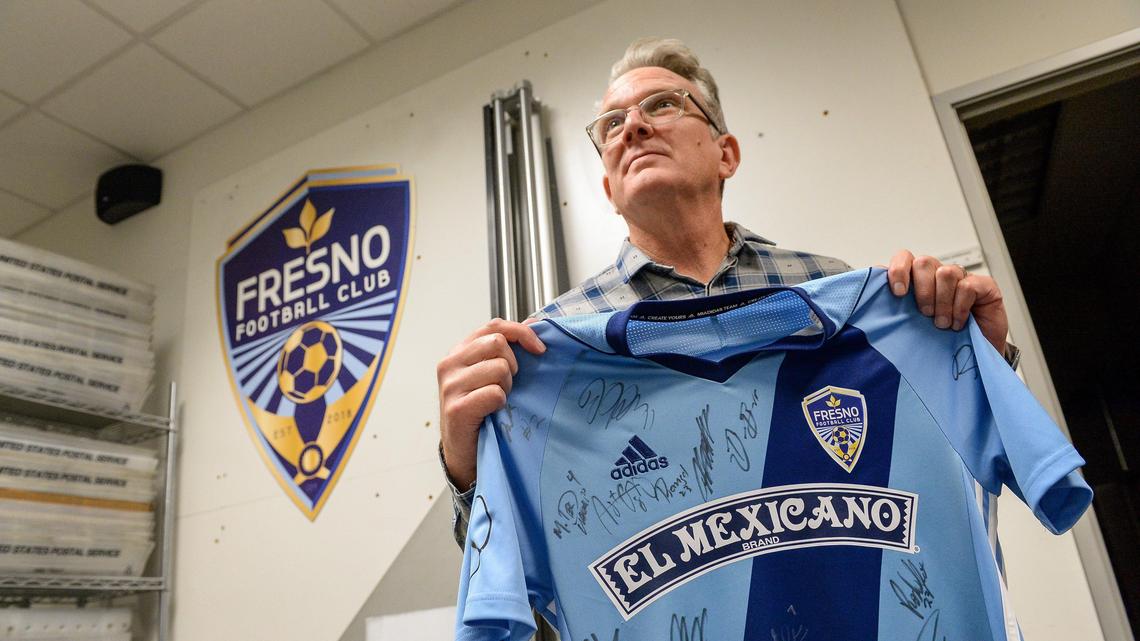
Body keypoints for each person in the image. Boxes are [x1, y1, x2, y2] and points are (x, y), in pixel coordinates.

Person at [437, 37, 1015, 547]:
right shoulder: (548, 345)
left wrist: (980, 360)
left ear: (726, 154)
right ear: (609, 189)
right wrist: (466, 468)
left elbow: (957, 457)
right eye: (612, 124)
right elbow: (510, 555)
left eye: (662, 105)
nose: (633, 127)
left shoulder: (834, 290)